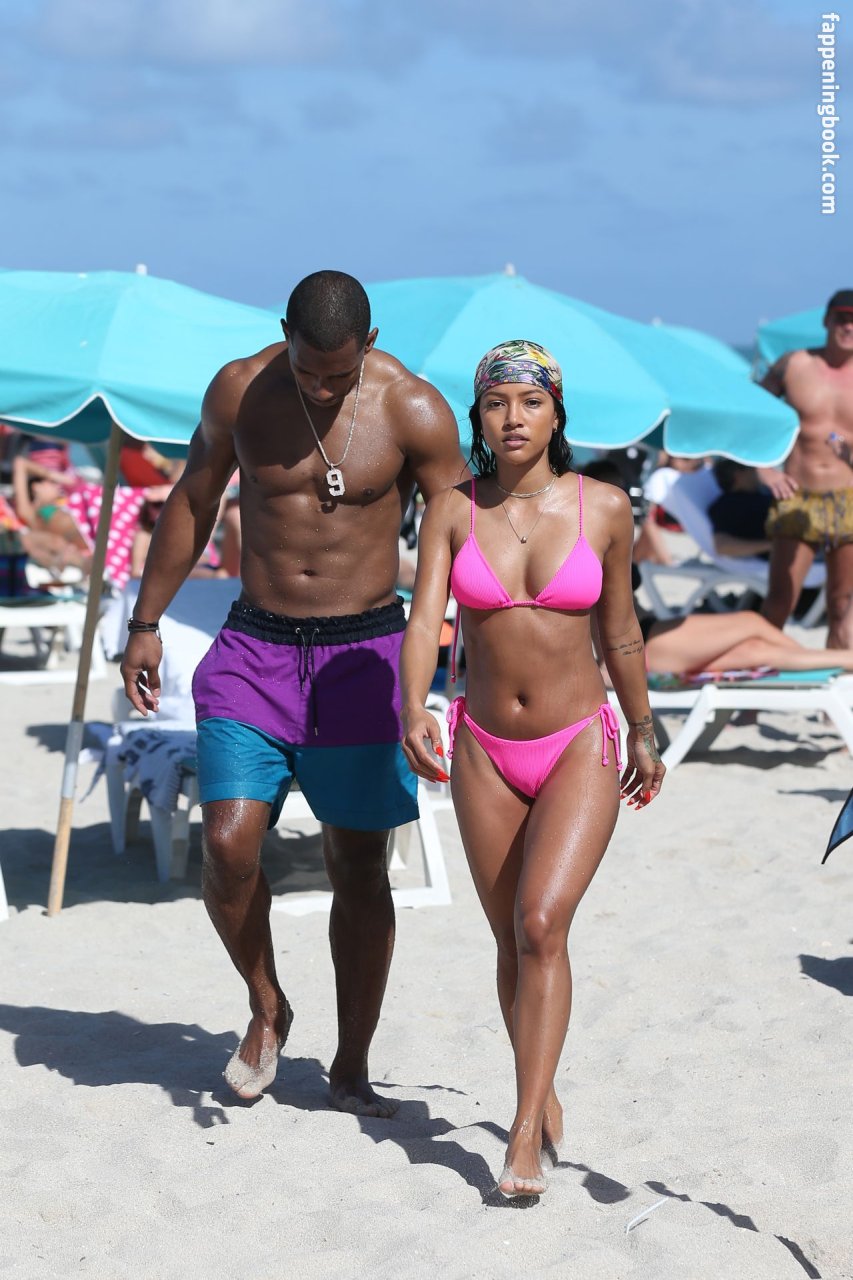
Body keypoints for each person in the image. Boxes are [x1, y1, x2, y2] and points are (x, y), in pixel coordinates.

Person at [121, 270, 466, 1115]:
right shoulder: (240, 390)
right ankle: (267, 1004)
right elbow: (194, 499)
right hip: (254, 649)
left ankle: (351, 1065)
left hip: (364, 656)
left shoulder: (412, 408)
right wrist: (146, 620)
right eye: (308, 368)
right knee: (228, 844)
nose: (319, 387)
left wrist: (468, 661)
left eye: (337, 373)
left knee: (360, 866)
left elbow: (463, 534)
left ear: (370, 344)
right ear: (284, 332)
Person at [399, 340, 665, 1198]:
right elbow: (424, 620)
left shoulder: (604, 507)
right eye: (494, 403)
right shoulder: (451, 509)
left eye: (529, 402)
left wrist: (643, 728)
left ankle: (520, 1133)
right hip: (482, 744)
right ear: (477, 418)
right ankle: (538, 1085)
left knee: (541, 922)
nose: (511, 418)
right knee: (509, 939)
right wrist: (412, 708)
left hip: (578, 741)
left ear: (556, 413)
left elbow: (619, 630)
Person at [759, 289, 853, 644]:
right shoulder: (795, 365)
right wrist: (765, 470)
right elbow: (753, 414)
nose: (848, 326)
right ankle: (758, 672)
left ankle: (838, 676)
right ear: (827, 321)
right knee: (780, 600)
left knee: (841, 604)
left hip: (847, 497)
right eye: (842, 318)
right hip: (797, 495)